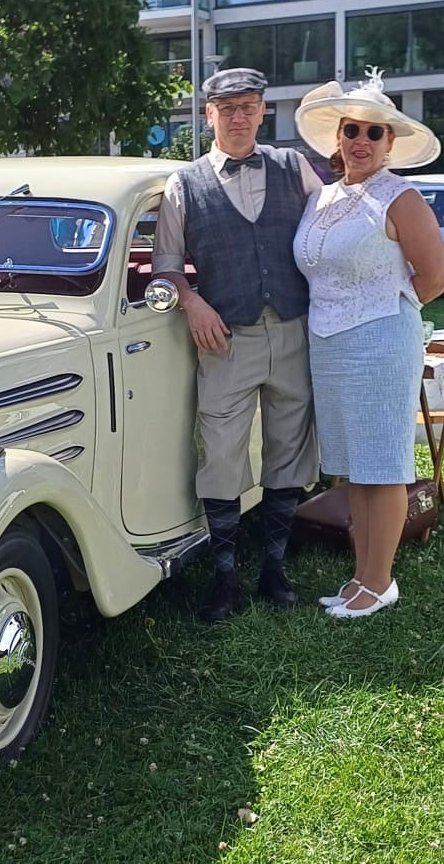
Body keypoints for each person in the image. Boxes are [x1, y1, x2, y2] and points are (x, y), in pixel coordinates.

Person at [152, 67, 322, 622]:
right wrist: (193, 303)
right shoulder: (184, 184)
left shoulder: (293, 167)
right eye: (227, 108)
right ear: (208, 115)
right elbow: (166, 268)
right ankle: (225, 576)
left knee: (289, 448)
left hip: (293, 328)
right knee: (220, 455)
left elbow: (329, 229)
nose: (239, 116)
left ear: (263, 111)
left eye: (248, 106)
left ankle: (273, 566)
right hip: (226, 338)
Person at [293, 66, 444, 618]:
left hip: (382, 342)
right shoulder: (323, 196)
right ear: (338, 137)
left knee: (382, 466)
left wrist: (385, 310)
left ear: (390, 142)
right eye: (352, 130)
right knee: (353, 466)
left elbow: (435, 276)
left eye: (374, 133)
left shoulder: (400, 196)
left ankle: (380, 582)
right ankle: (361, 575)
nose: (361, 141)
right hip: (329, 345)